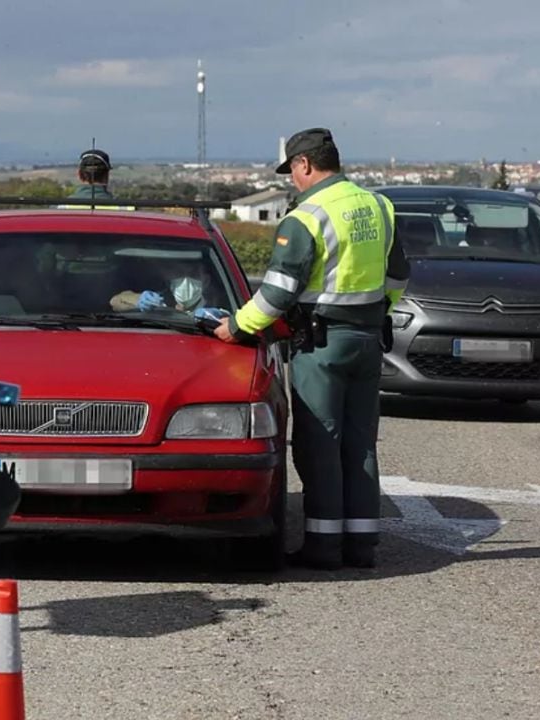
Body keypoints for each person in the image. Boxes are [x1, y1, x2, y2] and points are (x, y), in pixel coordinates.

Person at [214, 127, 410, 570]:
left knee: (320, 443)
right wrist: (376, 310)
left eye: (292, 172)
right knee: (360, 444)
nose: (292, 181)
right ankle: (361, 547)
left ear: (305, 164)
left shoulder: (307, 216)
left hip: (321, 345)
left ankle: (323, 548)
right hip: (367, 339)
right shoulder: (379, 206)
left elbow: (278, 292)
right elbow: (399, 275)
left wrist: (238, 326)